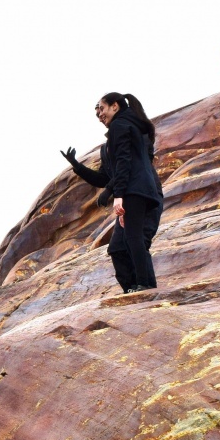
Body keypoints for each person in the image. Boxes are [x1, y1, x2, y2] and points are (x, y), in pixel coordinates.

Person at [61, 93, 163, 293]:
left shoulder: (125, 127)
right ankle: (132, 288)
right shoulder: (108, 144)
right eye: (96, 111)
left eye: (101, 108)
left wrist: (114, 194)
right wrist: (77, 166)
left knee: (136, 239)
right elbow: (104, 177)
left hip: (139, 190)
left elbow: (128, 163)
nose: (99, 114)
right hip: (128, 190)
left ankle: (145, 286)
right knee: (117, 247)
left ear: (115, 106)